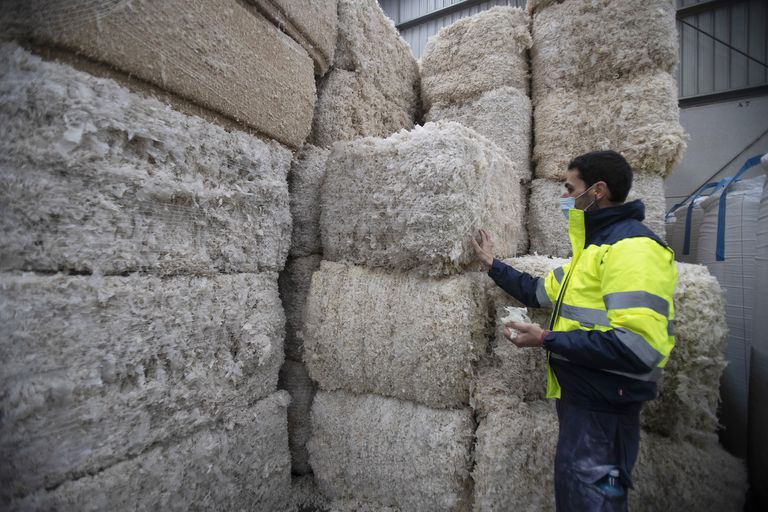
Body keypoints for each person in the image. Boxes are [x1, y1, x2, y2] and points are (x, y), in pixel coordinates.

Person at [471, 150, 677, 512]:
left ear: (597, 191)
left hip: (606, 410)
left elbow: (640, 346)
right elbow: (537, 291)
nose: (563, 198)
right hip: (585, 402)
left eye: (569, 189)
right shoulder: (592, 252)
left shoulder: (633, 249)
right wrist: (491, 264)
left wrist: (547, 339)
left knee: (593, 504)